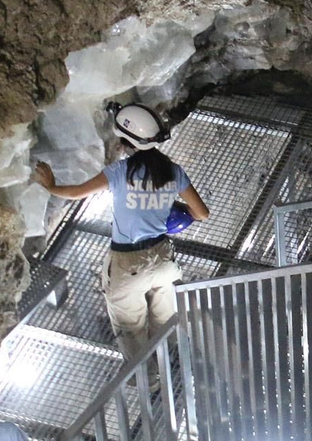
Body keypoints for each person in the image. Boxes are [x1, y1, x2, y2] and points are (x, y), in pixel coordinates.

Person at [32, 103, 209, 360]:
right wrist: (174, 207)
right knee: (166, 324)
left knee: (132, 332)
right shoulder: (173, 171)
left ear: (126, 141)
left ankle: (149, 385)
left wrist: (51, 186)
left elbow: (75, 192)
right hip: (162, 258)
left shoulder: (120, 172)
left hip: (127, 264)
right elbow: (201, 213)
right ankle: (167, 366)